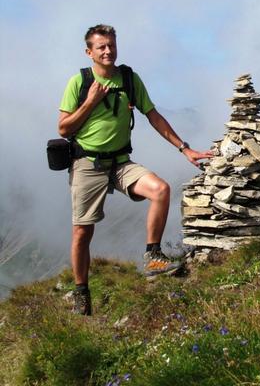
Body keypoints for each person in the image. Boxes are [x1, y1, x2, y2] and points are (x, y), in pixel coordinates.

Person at [58, 24, 213, 315]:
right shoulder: (79, 82)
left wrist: (184, 148)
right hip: (88, 163)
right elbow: (64, 128)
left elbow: (153, 115)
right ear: (89, 52)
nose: (108, 51)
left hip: (120, 162)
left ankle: (153, 257)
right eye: (101, 47)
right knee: (82, 232)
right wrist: (91, 101)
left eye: (111, 45)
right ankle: (81, 291)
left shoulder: (129, 78)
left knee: (161, 190)